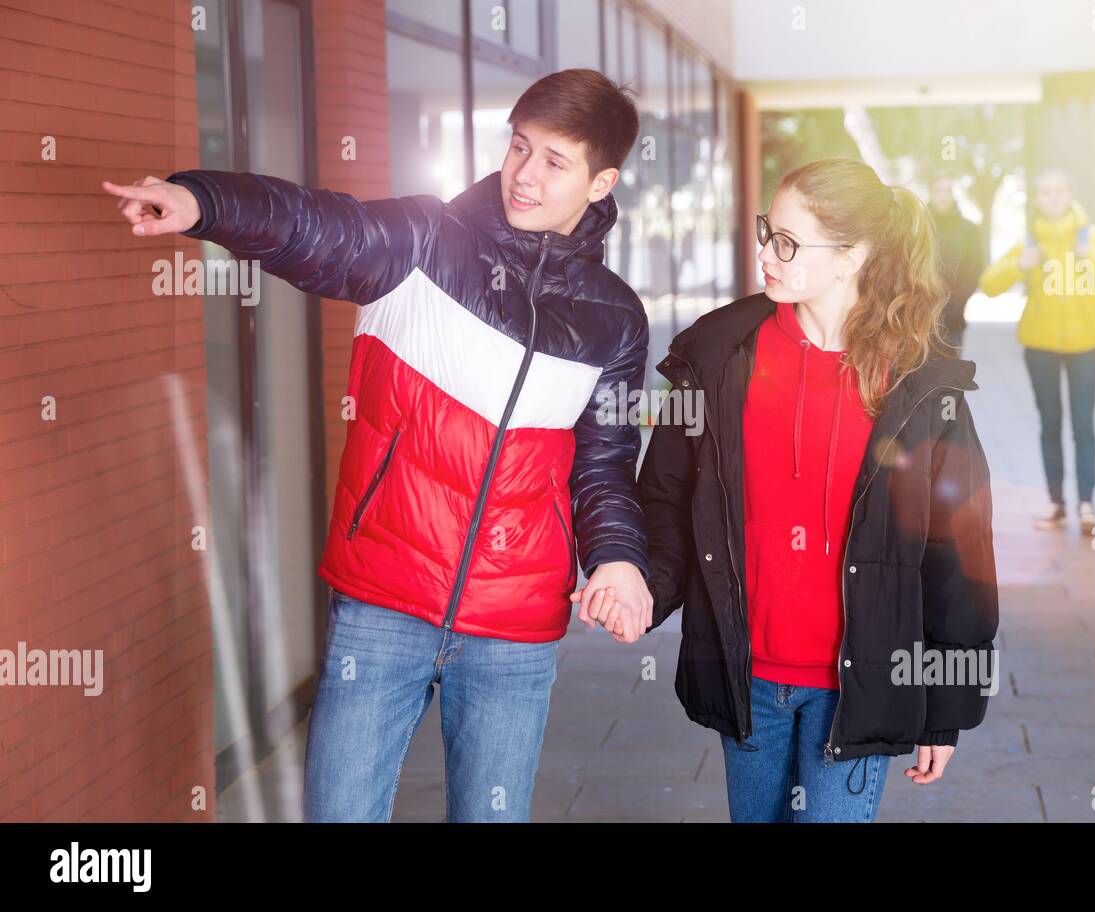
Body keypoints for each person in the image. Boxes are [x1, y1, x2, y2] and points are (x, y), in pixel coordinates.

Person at [103, 68, 655, 822]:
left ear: (602, 182)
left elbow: (604, 461)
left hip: (514, 623)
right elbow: (312, 224)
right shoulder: (422, 240)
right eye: (518, 147)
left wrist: (619, 561)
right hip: (383, 601)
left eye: (554, 162)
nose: (523, 175)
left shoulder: (616, 319)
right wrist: (202, 202)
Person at [618, 158, 1000, 822]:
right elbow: (669, 498)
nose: (765, 253)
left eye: (788, 243)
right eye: (769, 231)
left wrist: (946, 707)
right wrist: (636, 587)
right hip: (748, 677)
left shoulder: (919, 385)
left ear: (852, 256)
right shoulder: (718, 355)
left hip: (859, 689)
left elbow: (958, 555)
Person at [978, 168, 1095, 535]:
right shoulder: (1029, 242)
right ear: (1037, 199)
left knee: (1082, 424)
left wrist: (1090, 256)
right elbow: (988, 284)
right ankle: (1056, 503)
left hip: (1086, 344)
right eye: (1046, 192)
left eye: (1060, 191)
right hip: (1040, 344)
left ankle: (1087, 504)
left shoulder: (1091, 237)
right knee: (1050, 424)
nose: (1054, 198)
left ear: (1071, 195)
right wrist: (1018, 265)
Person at [928, 174, 985, 357]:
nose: (943, 196)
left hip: (954, 318)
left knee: (950, 377)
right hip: (921, 316)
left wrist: (957, 301)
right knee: (920, 379)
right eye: (938, 190)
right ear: (931, 193)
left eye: (948, 191)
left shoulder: (968, 229)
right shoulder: (919, 225)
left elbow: (975, 269)